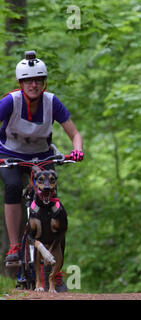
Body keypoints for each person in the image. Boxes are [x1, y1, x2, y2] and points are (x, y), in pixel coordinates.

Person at [0, 51, 83, 283]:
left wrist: (77, 150)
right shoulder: (10, 101)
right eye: (28, 80)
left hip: (42, 158)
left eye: (38, 80)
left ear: (44, 83)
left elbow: (74, 133)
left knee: (51, 199)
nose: (33, 85)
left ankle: (54, 264)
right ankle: (15, 246)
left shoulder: (52, 102)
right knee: (14, 187)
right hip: (9, 156)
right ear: (21, 83)